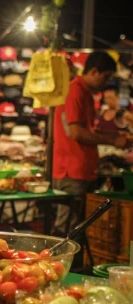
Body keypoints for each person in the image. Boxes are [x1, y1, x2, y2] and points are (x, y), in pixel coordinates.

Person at [52, 52, 131, 236]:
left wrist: (114, 135)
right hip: (71, 170)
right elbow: (77, 133)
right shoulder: (75, 91)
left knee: (77, 227)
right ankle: (59, 264)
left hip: (82, 168)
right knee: (67, 230)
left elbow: (87, 130)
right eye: (106, 77)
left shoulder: (85, 93)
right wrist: (112, 140)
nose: (106, 82)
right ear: (94, 71)